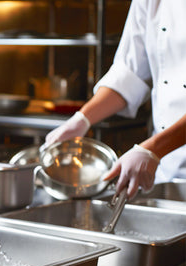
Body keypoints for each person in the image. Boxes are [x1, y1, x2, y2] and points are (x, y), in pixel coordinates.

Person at [45, 0, 186, 199]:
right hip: (166, 171)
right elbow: (129, 72)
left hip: (161, 152)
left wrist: (153, 148)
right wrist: (82, 119)